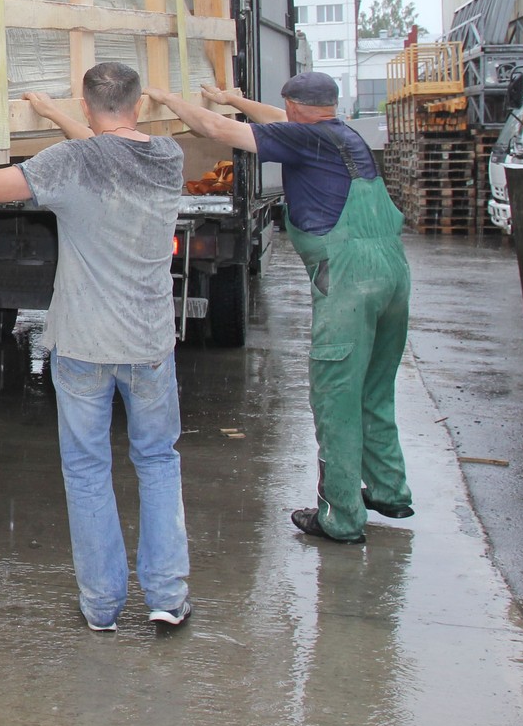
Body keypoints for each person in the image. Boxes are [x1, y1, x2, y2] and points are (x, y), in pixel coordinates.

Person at [0, 64, 192, 631]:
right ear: (138, 105)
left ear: (86, 103)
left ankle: (102, 607)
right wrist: (54, 114)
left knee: (87, 470)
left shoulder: (70, 164)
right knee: (157, 462)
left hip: (83, 346)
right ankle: (168, 599)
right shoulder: (168, 157)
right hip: (149, 344)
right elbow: (110, 149)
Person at [147, 73, 413, 545]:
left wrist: (168, 97)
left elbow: (216, 129)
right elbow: (274, 120)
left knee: (335, 397)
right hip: (392, 272)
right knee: (374, 388)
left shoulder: (305, 137)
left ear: (294, 108)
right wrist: (235, 99)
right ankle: (389, 490)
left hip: (350, 277)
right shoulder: (343, 134)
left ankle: (340, 516)